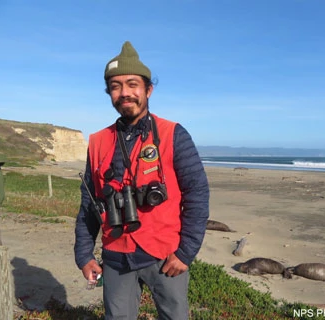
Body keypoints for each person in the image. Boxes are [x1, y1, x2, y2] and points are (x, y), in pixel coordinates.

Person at [73, 41, 210, 320]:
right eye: (115, 86)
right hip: (115, 255)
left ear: (148, 89)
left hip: (164, 254)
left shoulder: (173, 134)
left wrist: (185, 252)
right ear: (109, 93)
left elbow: (197, 194)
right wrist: (84, 254)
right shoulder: (98, 141)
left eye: (132, 84)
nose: (124, 93)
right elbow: (89, 202)